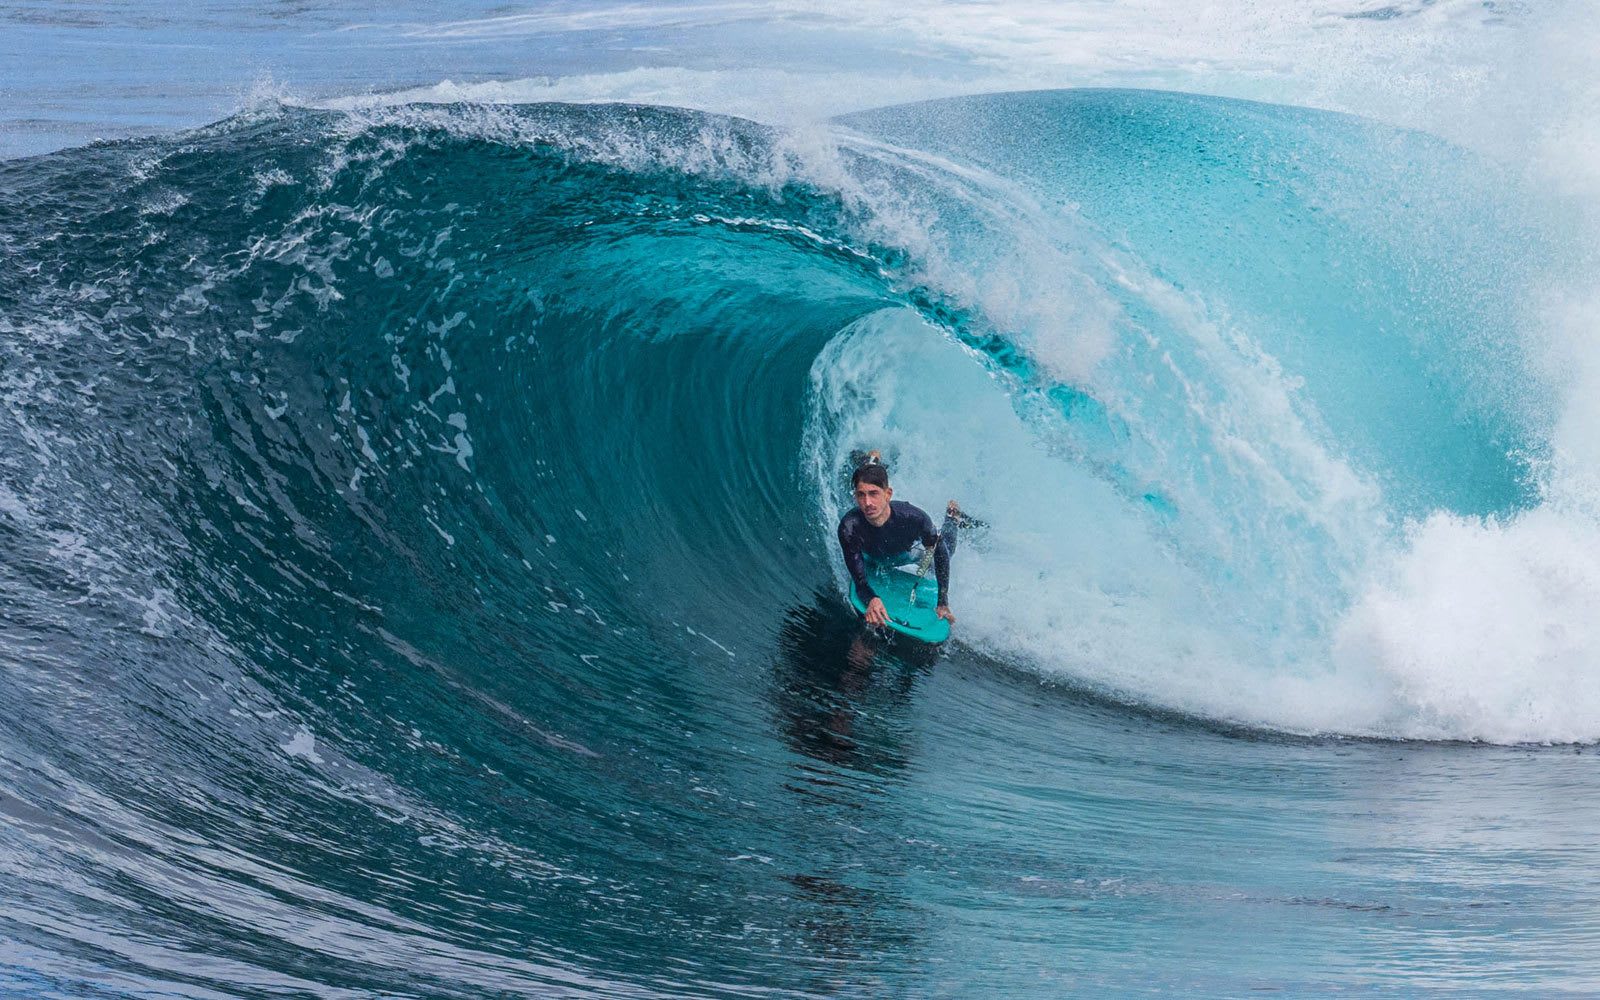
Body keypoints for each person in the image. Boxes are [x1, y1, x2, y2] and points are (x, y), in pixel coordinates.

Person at [837, 451, 963, 630]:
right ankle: (872, 461)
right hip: (875, 555)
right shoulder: (849, 527)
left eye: (874, 494)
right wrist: (872, 598)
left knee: (945, 552)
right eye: (861, 495)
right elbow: (860, 582)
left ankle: (952, 517)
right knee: (867, 474)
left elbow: (939, 549)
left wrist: (943, 602)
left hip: (907, 553)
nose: (867, 503)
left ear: (888, 494)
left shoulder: (914, 518)